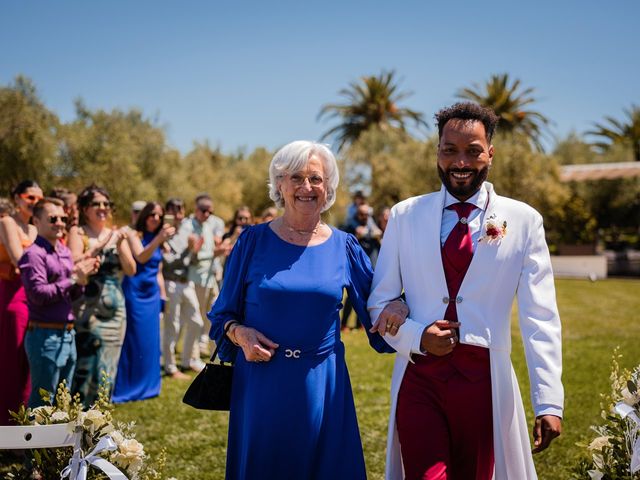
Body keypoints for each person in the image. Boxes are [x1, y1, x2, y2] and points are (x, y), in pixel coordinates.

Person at [368, 102, 564, 480]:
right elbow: (379, 303)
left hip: (484, 385)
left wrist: (549, 401)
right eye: (450, 150)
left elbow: (540, 317)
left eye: (473, 151)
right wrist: (417, 336)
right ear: (438, 153)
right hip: (419, 379)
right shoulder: (405, 216)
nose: (461, 161)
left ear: (490, 152)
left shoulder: (523, 221)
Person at [209, 140, 403, 480]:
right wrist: (240, 334)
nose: (306, 187)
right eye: (296, 178)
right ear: (280, 185)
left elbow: (377, 310)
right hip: (260, 384)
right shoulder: (251, 241)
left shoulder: (345, 246)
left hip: (323, 384)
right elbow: (223, 314)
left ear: (328, 186)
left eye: (316, 178)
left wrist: (402, 303)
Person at [18, 198, 97, 408]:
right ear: (36, 220)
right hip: (44, 336)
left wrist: (82, 278)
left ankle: (57, 442)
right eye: (53, 218)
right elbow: (38, 295)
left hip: (67, 333)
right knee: (42, 404)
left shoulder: (64, 252)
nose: (60, 222)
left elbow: (73, 294)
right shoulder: (33, 255)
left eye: (64, 218)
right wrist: (72, 279)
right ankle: (37, 442)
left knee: (62, 402)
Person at [68, 185, 136, 406]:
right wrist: (104, 245)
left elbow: (131, 269)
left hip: (116, 311)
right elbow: (75, 262)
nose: (102, 208)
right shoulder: (78, 233)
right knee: (87, 367)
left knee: (108, 368)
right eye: (96, 204)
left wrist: (121, 243)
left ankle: (100, 424)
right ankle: (78, 422)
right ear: (85, 208)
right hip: (88, 310)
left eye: (106, 204)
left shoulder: (115, 234)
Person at [112, 202, 175, 403]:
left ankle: (149, 385)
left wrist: (163, 295)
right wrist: (159, 239)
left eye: (159, 215)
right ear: (144, 216)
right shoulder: (134, 234)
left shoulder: (160, 240)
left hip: (152, 295)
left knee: (150, 340)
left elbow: (157, 270)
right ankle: (128, 386)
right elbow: (141, 256)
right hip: (135, 292)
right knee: (134, 338)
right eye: (151, 215)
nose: (155, 218)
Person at [0, 181, 42, 423]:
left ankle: (26, 424)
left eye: (39, 199)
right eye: (30, 197)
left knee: (30, 363)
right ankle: (7, 425)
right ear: (17, 198)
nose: (35, 203)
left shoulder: (34, 228)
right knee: (11, 361)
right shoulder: (7, 222)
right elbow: (18, 259)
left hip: (35, 298)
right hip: (13, 298)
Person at [162, 197, 203, 379]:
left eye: (181, 210)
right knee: (173, 326)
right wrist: (188, 249)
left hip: (186, 282)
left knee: (197, 322)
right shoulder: (164, 234)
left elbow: (192, 262)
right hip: (170, 282)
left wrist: (195, 250)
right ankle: (170, 366)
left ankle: (187, 360)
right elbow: (169, 263)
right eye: (173, 210)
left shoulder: (187, 232)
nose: (178, 215)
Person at [182, 193, 225, 360]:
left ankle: (209, 349)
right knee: (196, 320)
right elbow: (192, 258)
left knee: (213, 314)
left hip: (210, 278)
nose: (207, 214)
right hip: (196, 279)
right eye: (203, 210)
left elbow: (208, 253)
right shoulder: (188, 226)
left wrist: (216, 254)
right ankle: (191, 357)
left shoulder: (207, 226)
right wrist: (215, 253)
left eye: (210, 212)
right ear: (196, 209)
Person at [341, 202, 382, 330]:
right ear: (357, 214)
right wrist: (357, 236)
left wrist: (378, 236)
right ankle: (344, 324)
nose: (365, 216)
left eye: (367, 214)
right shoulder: (350, 226)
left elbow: (381, 243)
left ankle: (361, 324)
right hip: (354, 266)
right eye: (362, 214)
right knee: (352, 297)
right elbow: (344, 244)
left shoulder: (372, 224)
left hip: (369, 265)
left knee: (366, 295)